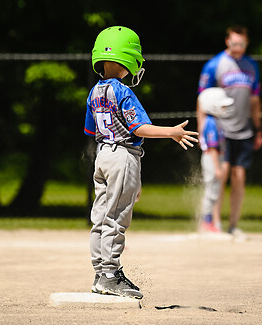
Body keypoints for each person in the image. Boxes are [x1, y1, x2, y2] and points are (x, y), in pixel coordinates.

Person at [84, 26, 198, 299]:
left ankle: (101, 272)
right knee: (116, 218)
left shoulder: (94, 92)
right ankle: (111, 275)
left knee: (100, 217)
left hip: (103, 155)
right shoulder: (122, 91)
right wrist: (172, 132)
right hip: (122, 155)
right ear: (129, 59)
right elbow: (139, 129)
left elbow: (91, 131)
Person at [197, 25, 262, 236]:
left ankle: (233, 225)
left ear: (247, 43)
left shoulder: (251, 66)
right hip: (221, 129)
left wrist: (258, 129)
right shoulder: (215, 65)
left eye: (241, 44)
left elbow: (254, 100)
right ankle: (214, 223)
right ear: (227, 41)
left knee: (239, 176)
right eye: (234, 43)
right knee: (220, 175)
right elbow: (202, 99)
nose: (238, 47)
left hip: (243, 130)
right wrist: (202, 130)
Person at [197, 88, 234, 233]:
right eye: (222, 106)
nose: (225, 109)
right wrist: (218, 168)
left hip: (215, 158)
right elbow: (212, 148)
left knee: (214, 191)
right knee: (211, 191)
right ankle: (206, 222)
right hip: (212, 158)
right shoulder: (211, 122)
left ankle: (208, 220)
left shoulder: (214, 121)